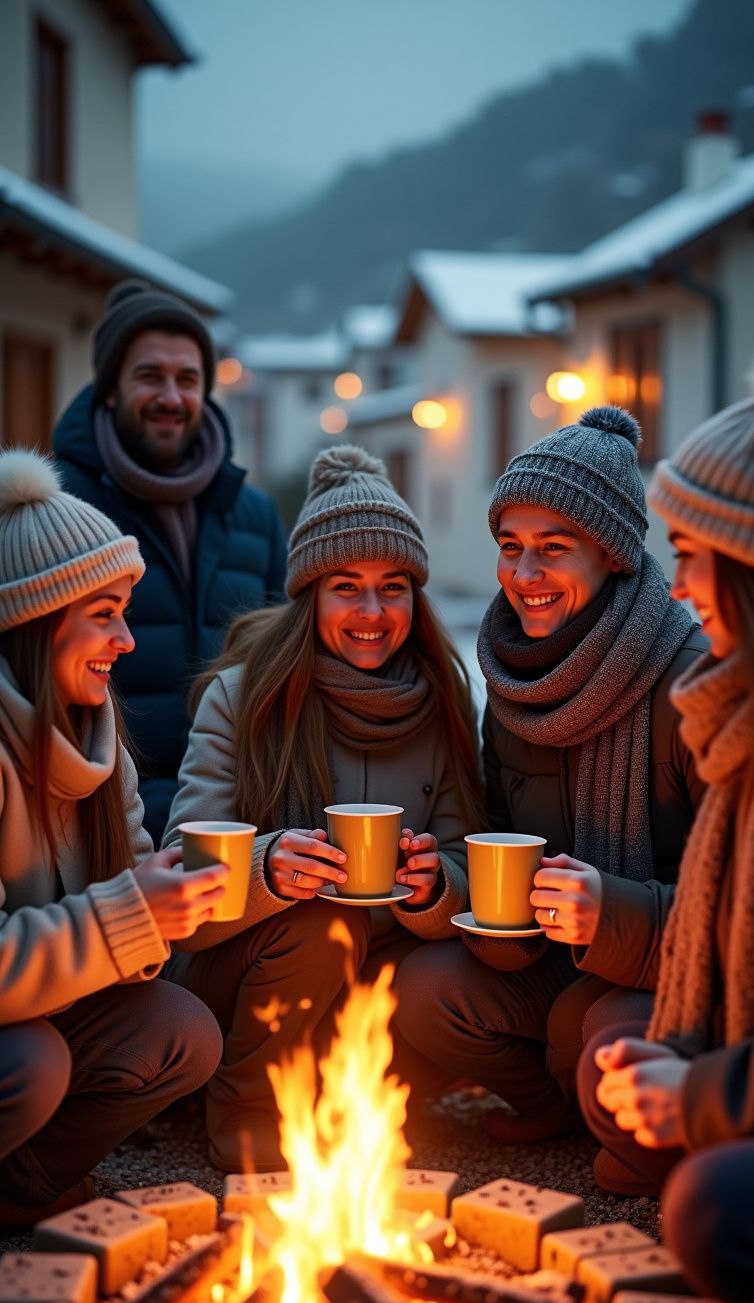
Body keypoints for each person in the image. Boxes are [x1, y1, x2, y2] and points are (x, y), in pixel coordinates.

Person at [577, 337, 754, 1303]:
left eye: (690, 560)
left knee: (708, 1209)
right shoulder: (752, 722)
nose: (677, 589)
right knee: (611, 1067)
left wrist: (707, 1093)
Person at [394, 406, 706, 1164]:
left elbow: (736, 913)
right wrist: (446, 885)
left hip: (670, 970)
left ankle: (623, 1123)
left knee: (602, 1054)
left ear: (614, 556)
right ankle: (554, 1106)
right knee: (424, 989)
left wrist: (612, 914)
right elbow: (500, 836)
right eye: (510, 548)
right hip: (557, 959)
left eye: (553, 550)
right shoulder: (514, 682)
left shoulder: (689, 678)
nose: (524, 576)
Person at [163, 444, 483, 1172]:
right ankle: (247, 1108)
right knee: (322, 917)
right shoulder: (243, 699)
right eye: (347, 586)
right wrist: (269, 868)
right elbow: (183, 866)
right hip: (249, 965)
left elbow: (468, 858)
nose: (372, 612)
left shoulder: (443, 706)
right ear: (310, 593)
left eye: (393, 587)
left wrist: (436, 886)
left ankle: (355, 1100)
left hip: (373, 972)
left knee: (443, 971)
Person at [0, 449, 225, 1229]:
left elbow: (128, 919)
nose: (127, 640)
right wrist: (129, 914)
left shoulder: (100, 747)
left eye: (125, 610)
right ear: (33, 622)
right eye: (104, 613)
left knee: (182, 1030)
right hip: (17, 1028)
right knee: (30, 1065)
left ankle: (19, 1189)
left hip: (45, 1006)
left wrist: (162, 910)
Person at [52, 278, 288, 843]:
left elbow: (287, 662)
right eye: (149, 376)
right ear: (109, 389)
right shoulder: (61, 513)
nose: (171, 396)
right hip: (104, 828)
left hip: (241, 825)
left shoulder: (253, 514)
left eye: (188, 379)